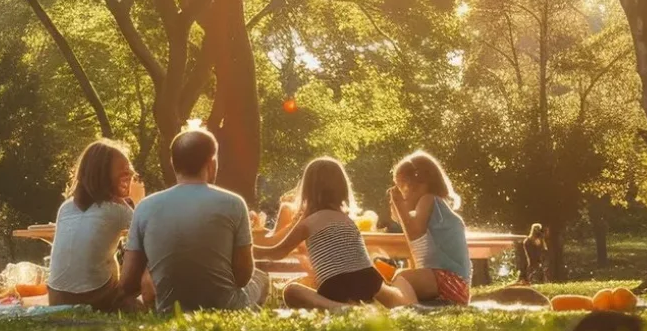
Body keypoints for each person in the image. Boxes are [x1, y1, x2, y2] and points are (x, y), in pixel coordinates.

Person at [120, 126, 268, 312]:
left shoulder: (145, 207)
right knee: (262, 279)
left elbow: (127, 282)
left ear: (173, 164)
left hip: (169, 307)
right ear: (211, 163)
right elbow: (243, 277)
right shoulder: (234, 203)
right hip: (223, 306)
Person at [253, 157, 406, 310]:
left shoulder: (308, 223)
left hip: (336, 284)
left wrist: (247, 248)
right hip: (370, 280)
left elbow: (277, 253)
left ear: (307, 190)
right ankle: (394, 304)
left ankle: (339, 307)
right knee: (379, 286)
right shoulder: (347, 220)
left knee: (291, 291)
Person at [47, 139, 145, 310]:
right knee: (139, 252)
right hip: (96, 297)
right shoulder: (115, 210)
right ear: (105, 176)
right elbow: (146, 230)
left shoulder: (66, 207)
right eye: (124, 174)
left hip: (56, 297)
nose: (129, 179)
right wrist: (138, 200)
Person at [389, 151, 472, 306]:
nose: (401, 194)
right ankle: (415, 305)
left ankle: (413, 309)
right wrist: (401, 213)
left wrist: (399, 206)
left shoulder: (429, 200)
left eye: (402, 188)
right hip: (453, 284)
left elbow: (415, 233)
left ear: (419, 185)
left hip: (451, 280)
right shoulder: (433, 206)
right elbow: (419, 249)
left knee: (402, 278)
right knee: (401, 278)